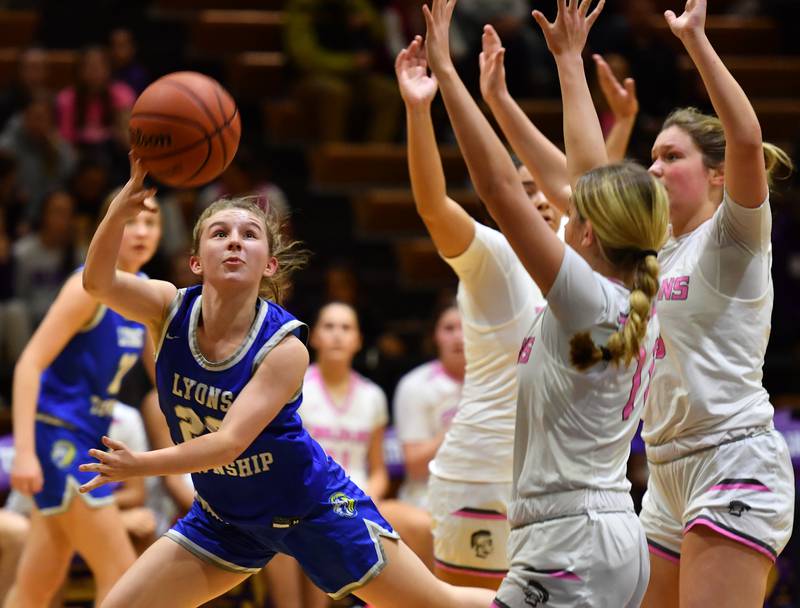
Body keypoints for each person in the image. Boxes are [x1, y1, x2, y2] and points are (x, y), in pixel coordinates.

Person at [77, 158, 495, 608]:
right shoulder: (168, 308)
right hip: (227, 516)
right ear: (195, 261)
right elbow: (97, 282)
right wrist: (117, 214)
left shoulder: (284, 347)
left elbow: (229, 442)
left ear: (271, 264)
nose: (234, 240)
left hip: (310, 508)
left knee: (436, 603)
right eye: (220, 233)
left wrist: (139, 464)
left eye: (249, 235)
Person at [422, 0, 669, 605]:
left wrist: (448, 76)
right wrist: (568, 61)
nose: (564, 200)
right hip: (603, 530)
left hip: (569, 542)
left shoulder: (588, 298)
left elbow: (500, 189)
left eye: (575, 209)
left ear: (586, 231)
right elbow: (588, 172)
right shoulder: (629, 289)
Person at [630, 1, 795, 606]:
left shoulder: (731, 236)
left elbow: (746, 138)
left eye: (672, 157)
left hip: (731, 457)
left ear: (718, 175)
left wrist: (696, 41)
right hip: (665, 470)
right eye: (653, 156)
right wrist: (569, 64)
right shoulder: (653, 252)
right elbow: (578, 181)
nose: (655, 167)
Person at [4, 187, 161, 607]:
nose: (142, 230)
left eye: (151, 222)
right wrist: (24, 453)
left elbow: (165, 378)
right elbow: (28, 365)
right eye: (131, 221)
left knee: (38, 584)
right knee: (123, 575)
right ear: (107, 228)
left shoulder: (146, 294)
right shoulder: (86, 287)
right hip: (59, 437)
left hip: (87, 439)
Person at [265, 301, 390, 608]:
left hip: (355, 499)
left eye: (346, 328)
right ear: (315, 337)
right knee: (296, 531)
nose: (337, 335)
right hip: (299, 498)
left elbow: (379, 470)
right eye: (329, 326)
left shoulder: (373, 396)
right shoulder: (294, 384)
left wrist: (367, 498)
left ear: (358, 340)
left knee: (410, 523)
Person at [394, 301, 463, 510]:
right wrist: (459, 428)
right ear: (435, 335)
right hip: (426, 499)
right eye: (449, 329)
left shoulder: (496, 383)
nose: (458, 337)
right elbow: (414, 466)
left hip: (483, 496)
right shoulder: (414, 385)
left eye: (466, 327)